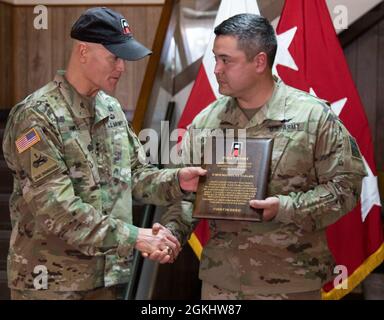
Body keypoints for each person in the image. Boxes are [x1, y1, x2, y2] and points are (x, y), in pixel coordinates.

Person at [2, 7, 206, 300]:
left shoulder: (111, 110)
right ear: (83, 51)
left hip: (108, 279)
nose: (121, 67)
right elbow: (57, 210)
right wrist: (137, 237)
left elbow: (135, 176)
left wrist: (178, 181)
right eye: (114, 57)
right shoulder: (36, 116)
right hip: (50, 284)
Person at [159, 13, 367, 300]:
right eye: (215, 58)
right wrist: (171, 233)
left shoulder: (313, 117)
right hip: (221, 284)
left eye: (225, 60)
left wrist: (285, 208)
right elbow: (187, 198)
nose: (216, 69)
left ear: (259, 61)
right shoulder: (206, 122)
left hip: (290, 283)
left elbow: (346, 189)